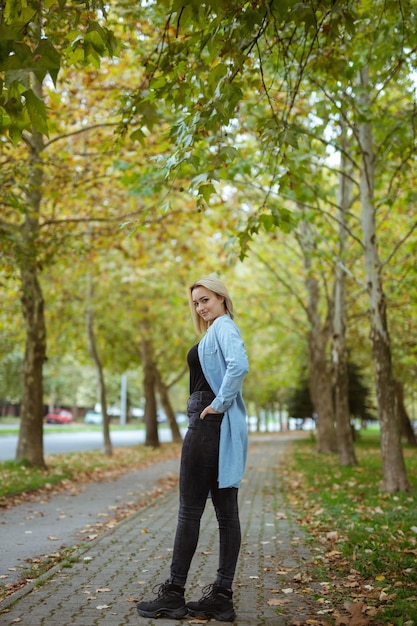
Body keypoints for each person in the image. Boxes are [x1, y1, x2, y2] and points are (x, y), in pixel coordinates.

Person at [136, 276, 249, 622]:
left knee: (190, 510)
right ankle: (222, 596)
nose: (201, 307)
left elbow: (239, 364)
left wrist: (217, 403)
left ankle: (173, 594)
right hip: (217, 428)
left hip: (206, 424)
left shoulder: (223, 327)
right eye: (196, 303)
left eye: (206, 300)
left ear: (221, 298)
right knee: (226, 513)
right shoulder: (216, 330)